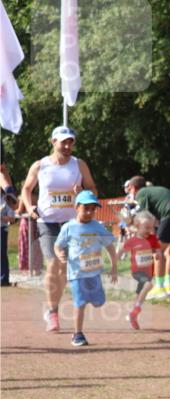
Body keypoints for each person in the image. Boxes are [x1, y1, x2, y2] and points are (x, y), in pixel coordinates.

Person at [20, 126, 98, 331]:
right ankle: (53, 312)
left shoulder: (79, 165)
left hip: (73, 223)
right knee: (54, 263)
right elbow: (26, 189)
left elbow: (93, 189)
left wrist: (82, 193)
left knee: (64, 269)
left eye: (70, 141)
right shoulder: (40, 165)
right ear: (53, 142)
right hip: (47, 222)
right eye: (63, 141)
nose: (67, 145)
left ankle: (54, 306)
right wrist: (29, 207)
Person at [53, 191, 118, 347]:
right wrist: (60, 254)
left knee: (99, 302)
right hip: (76, 273)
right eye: (86, 208)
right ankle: (78, 334)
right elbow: (57, 245)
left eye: (92, 209)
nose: (89, 212)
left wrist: (114, 267)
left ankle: (91, 298)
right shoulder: (69, 227)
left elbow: (109, 246)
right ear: (76, 207)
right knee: (80, 303)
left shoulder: (98, 227)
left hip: (94, 272)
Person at [123, 176, 170, 299]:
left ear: (132, 187)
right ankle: (168, 287)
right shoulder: (151, 191)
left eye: (129, 188)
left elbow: (145, 218)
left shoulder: (141, 193)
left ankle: (159, 288)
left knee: (157, 252)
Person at [118, 210, 162, 330]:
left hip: (149, 271)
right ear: (137, 226)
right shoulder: (133, 240)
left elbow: (158, 250)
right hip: (137, 271)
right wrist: (114, 265)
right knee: (149, 285)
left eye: (152, 228)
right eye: (147, 227)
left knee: (140, 295)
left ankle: (133, 315)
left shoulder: (153, 238)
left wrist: (157, 254)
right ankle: (137, 308)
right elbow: (121, 250)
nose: (150, 230)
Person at [1, 162, 17, 286]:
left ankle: (3, 279)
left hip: (2, 229)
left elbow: (12, 219)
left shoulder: (7, 199)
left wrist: (2, 217)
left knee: (1, 253)